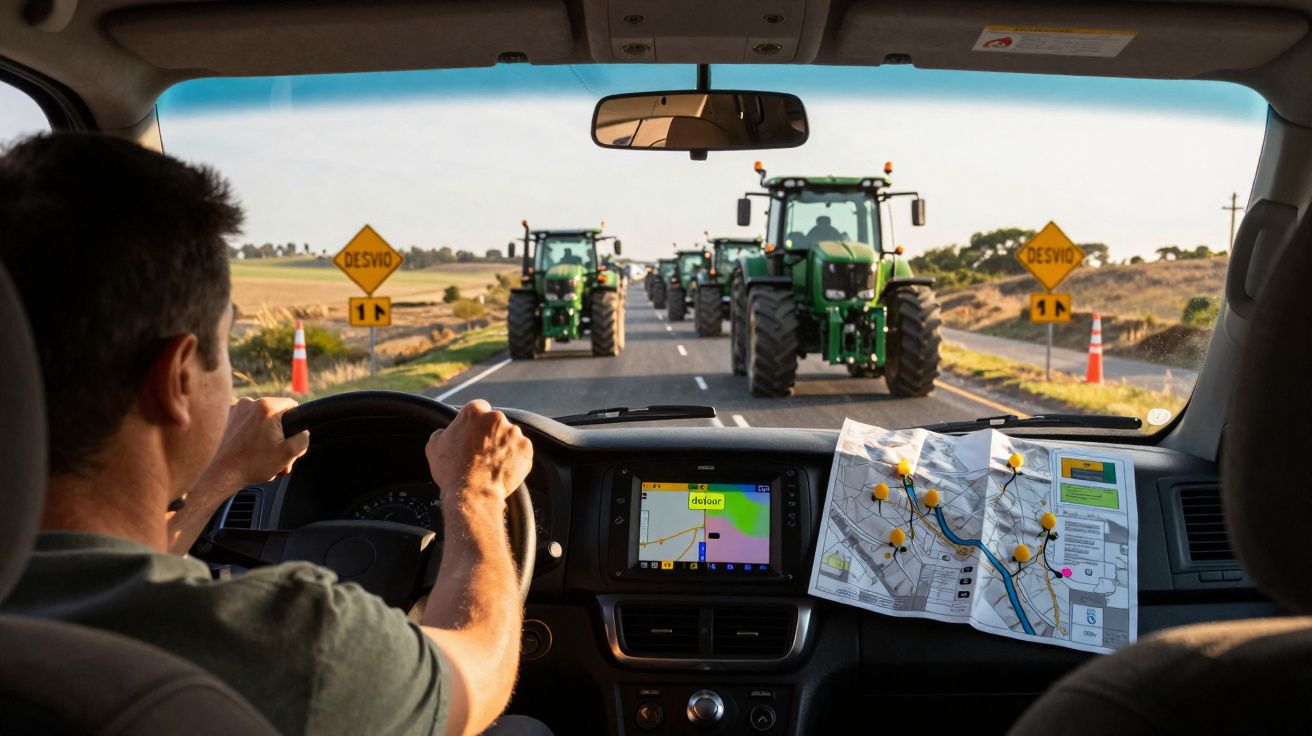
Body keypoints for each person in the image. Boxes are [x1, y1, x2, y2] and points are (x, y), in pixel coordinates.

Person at [0, 133, 541, 736]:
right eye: (225, 344)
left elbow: (105, 576)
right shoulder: (294, 643)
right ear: (177, 378)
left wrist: (216, 479)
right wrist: (476, 494)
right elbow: (480, 673)